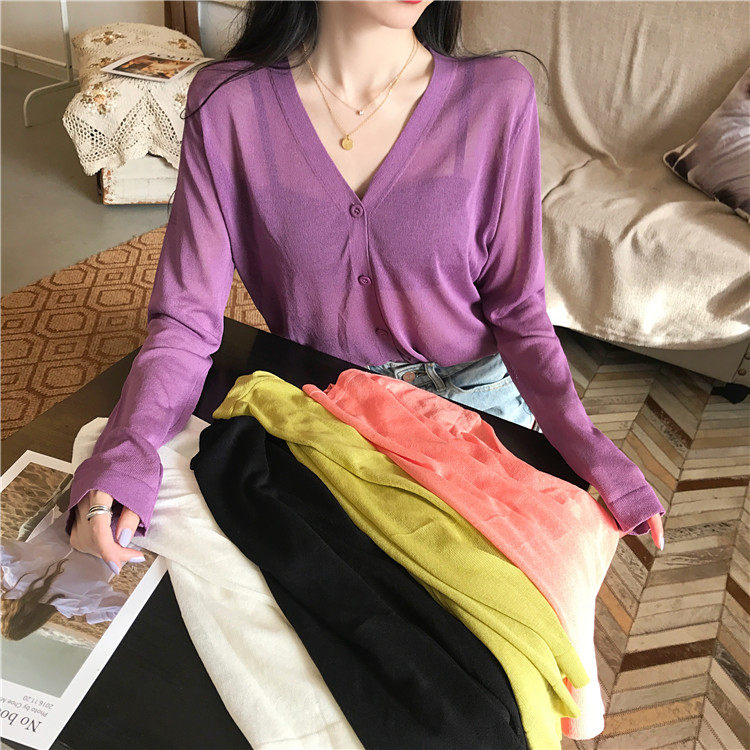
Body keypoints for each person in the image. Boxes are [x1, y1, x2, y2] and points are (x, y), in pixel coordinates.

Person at [67, 0, 666, 575]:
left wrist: (590, 448)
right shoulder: (230, 104)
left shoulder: (496, 97)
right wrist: (124, 457)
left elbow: (518, 308)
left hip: (477, 404)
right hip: (330, 402)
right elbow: (186, 319)